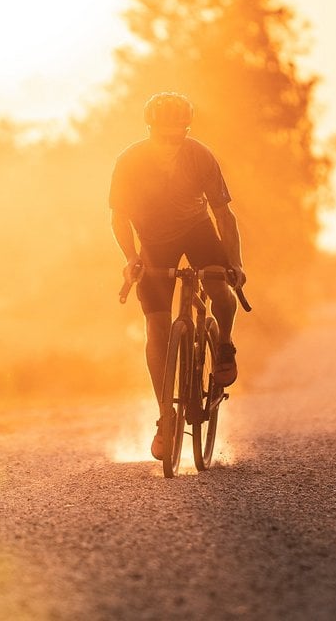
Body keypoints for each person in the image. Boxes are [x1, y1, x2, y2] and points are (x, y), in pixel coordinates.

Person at [109, 92, 247, 461]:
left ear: (186, 131)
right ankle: (165, 417)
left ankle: (224, 345)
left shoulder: (200, 156)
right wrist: (132, 257)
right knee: (156, 327)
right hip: (153, 240)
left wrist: (235, 262)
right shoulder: (130, 161)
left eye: (177, 135)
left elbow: (224, 215)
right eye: (162, 135)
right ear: (149, 130)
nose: (170, 142)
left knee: (219, 287)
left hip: (196, 230)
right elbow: (119, 218)